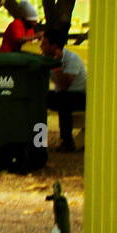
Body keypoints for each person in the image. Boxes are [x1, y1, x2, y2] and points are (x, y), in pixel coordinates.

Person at [41, 23, 87, 151]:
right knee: (39, 99)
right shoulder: (45, 58)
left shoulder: (71, 59)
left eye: (44, 43)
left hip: (80, 97)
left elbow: (64, 85)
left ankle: (67, 142)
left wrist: (57, 66)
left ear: (54, 46)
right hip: (64, 95)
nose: (40, 46)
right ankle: (38, 140)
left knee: (63, 99)